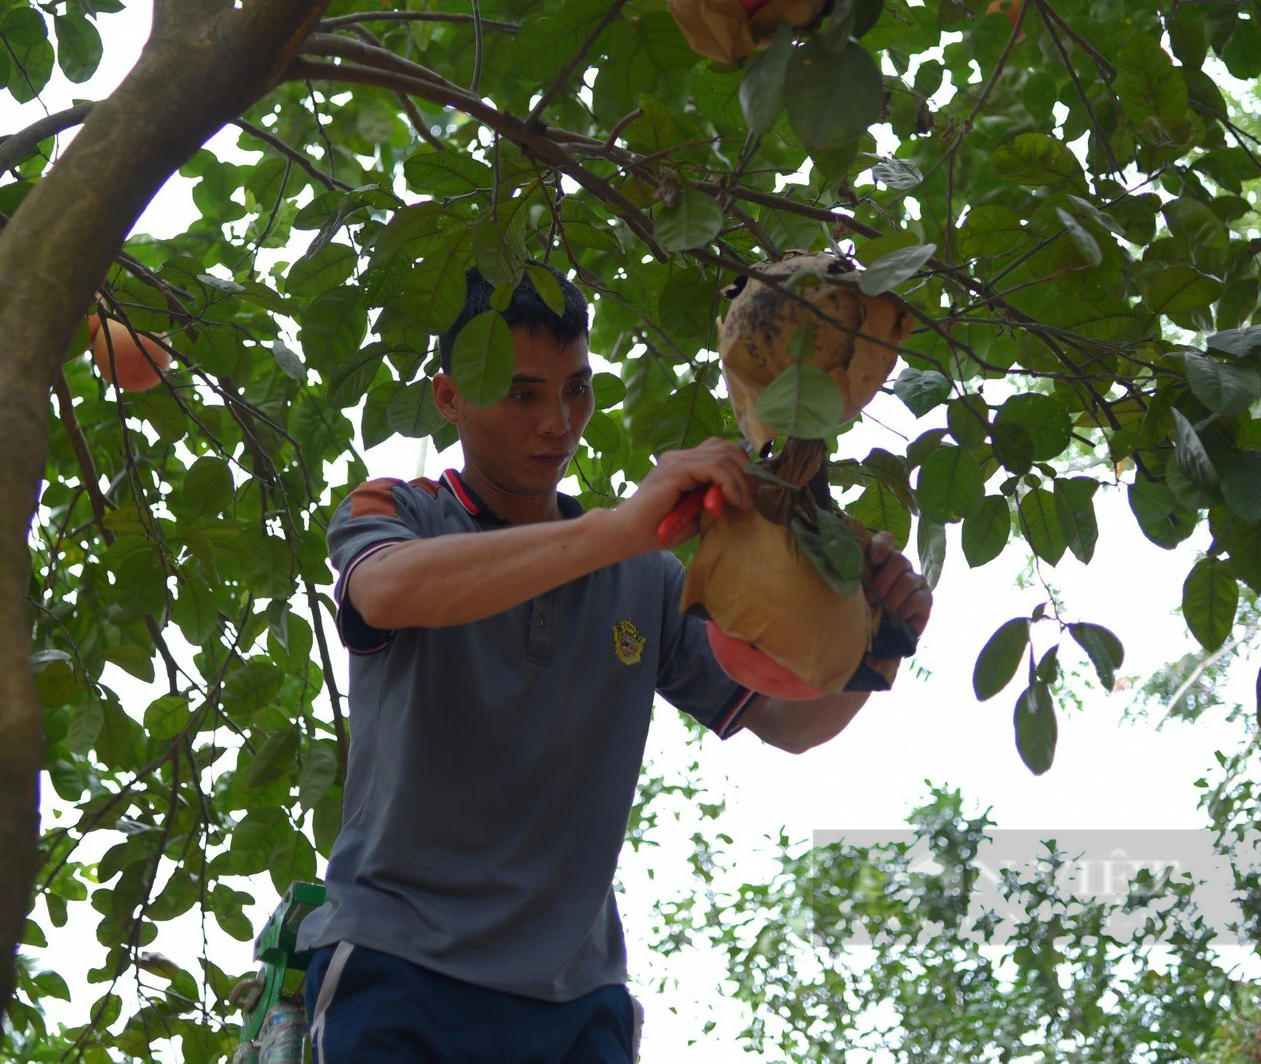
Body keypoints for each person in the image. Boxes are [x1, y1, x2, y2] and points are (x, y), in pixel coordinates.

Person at [297, 265, 934, 1063]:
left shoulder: (647, 576)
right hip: (402, 969)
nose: (557, 423)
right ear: (451, 397)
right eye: (523, 394)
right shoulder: (401, 509)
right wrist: (624, 527)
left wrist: (880, 647)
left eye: (576, 390)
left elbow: (786, 719)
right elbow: (385, 592)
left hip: (577, 998)